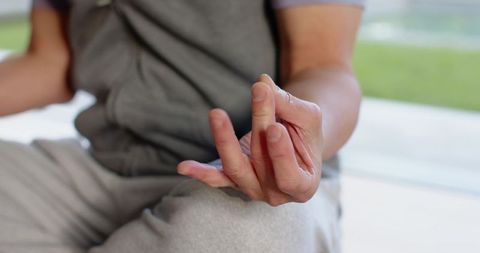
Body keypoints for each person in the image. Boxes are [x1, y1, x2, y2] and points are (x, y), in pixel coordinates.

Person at [0, 0, 364, 252]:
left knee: (242, 238)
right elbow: (52, 61)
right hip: (100, 167)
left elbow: (324, 66)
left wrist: (293, 148)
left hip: (239, 181)